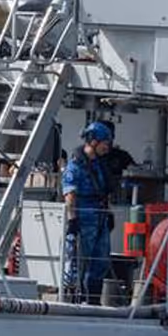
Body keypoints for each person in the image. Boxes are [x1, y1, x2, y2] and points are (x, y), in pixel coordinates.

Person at [62, 121, 114, 303]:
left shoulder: (99, 164)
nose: (106, 147)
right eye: (104, 143)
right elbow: (70, 194)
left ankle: (93, 299)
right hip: (83, 218)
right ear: (93, 142)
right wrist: (72, 220)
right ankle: (73, 299)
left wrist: (109, 212)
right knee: (78, 261)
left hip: (100, 217)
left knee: (101, 260)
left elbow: (104, 190)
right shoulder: (75, 166)